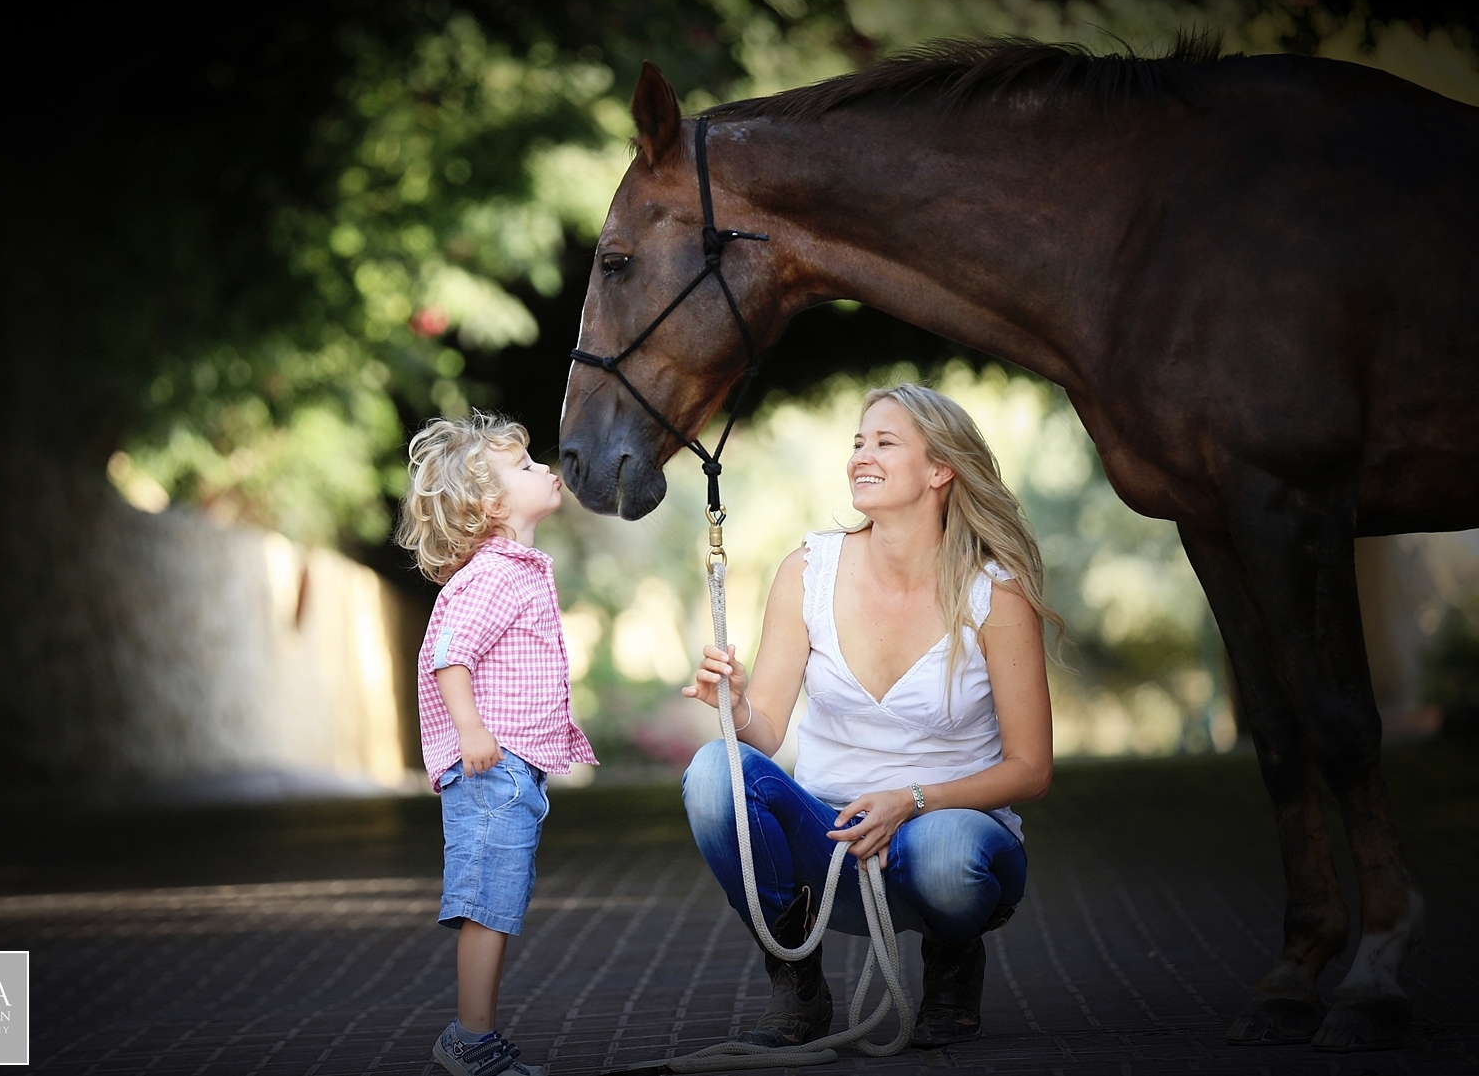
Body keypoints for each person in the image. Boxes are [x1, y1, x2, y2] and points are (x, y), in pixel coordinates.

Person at [681, 382, 1058, 1048]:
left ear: (940, 469)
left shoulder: (996, 595)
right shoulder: (807, 570)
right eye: (858, 441)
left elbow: (1031, 770)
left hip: (942, 843)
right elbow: (764, 728)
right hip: (830, 844)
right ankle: (795, 974)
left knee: (948, 855)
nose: (861, 455)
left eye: (885, 442)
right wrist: (736, 706)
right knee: (715, 772)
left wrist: (910, 800)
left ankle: (952, 956)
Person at [398, 412, 597, 1076]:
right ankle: (469, 1038)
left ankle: (475, 1031)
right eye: (526, 466)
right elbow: (450, 657)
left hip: (509, 768)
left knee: (498, 900)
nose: (546, 469)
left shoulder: (516, 566)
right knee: (487, 902)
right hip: (490, 765)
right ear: (491, 503)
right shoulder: (493, 574)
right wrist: (472, 730)